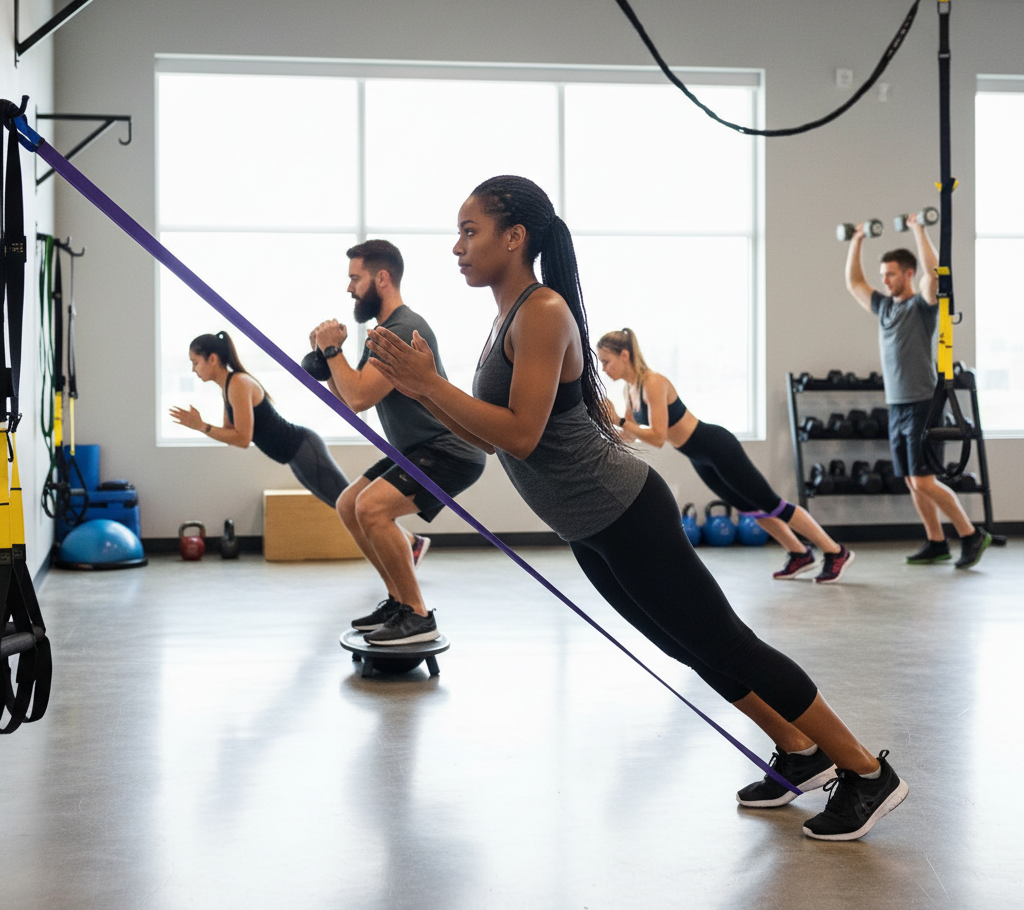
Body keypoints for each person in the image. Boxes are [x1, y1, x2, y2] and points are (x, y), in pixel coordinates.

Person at [365, 174, 907, 841]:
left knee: (728, 643)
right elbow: (492, 436)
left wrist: (428, 384)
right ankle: (801, 751)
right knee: (688, 645)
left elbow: (522, 435)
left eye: (469, 231)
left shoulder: (542, 311)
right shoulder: (507, 317)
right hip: (589, 525)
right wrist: (424, 393)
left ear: (515, 237)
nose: (456, 247)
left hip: (624, 509)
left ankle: (864, 771)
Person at [312, 239, 487, 646]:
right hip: (416, 450)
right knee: (349, 504)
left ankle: (418, 615)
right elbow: (350, 401)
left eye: (356, 278)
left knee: (371, 509)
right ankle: (397, 601)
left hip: (448, 449)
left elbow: (357, 396)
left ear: (382, 278)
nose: (350, 288)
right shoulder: (381, 335)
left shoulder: (403, 329)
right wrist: (326, 363)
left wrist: (332, 349)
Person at [596, 328, 854, 583]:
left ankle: (835, 551)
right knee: (749, 507)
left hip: (714, 446)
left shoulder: (653, 382)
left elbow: (658, 437)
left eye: (606, 361)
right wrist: (607, 425)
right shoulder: (630, 392)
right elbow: (631, 437)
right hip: (697, 456)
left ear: (625, 355)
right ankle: (799, 553)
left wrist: (619, 419)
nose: (604, 369)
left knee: (770, 502)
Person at [170, 332, 431, 565]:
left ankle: (411, 544)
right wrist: (200, 426)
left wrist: (201, 426)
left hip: (304, 449)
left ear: (212, 358)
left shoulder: (238, 384)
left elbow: (242, 438)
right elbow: (232, 435)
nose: (194, 370)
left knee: (349, 504)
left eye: (195, 362)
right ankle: (409, 544)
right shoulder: (227, 388)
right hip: (296, 456)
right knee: (346, 505)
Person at [845, 216, 991, 569]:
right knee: (913, 481)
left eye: (891, 274)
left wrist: (918, 230)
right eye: (883, 274)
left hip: (923, 403)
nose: (884, 280)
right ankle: (936, 542)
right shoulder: (884, 308)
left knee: (924, 480)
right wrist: (858, 239)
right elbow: (854, 283)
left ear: (908, 274)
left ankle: (972, 534)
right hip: (896, 405)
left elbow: (935, 276)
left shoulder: (922, 307)